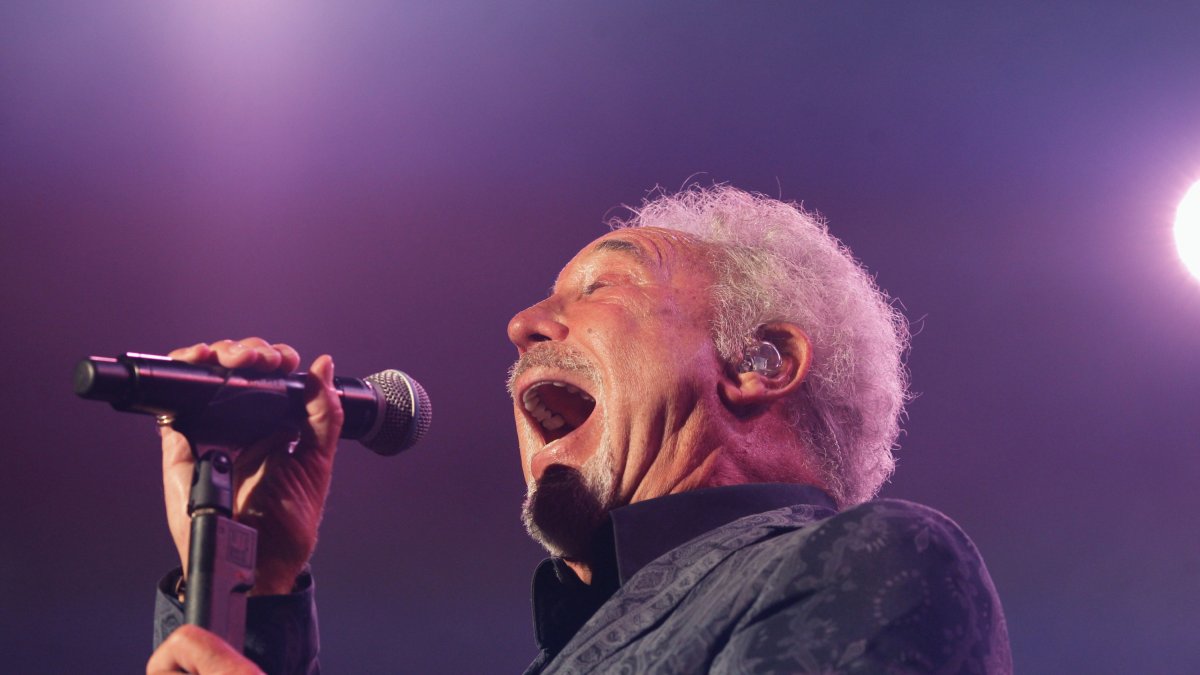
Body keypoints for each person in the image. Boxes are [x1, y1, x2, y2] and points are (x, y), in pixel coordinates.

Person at [147, 186, 1012, 674]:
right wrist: (240, 579)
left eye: (602, 286)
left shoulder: (883, 560)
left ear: (759, 361)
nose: (524, 323)